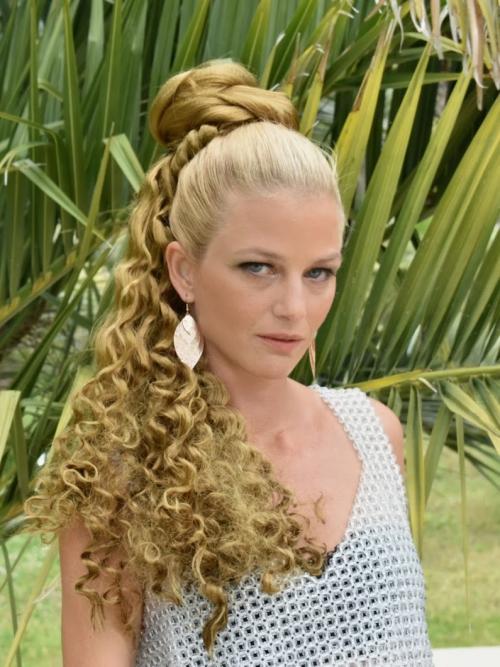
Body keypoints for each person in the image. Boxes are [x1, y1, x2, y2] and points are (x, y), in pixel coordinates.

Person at [24, 59, 433, 666]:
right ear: (184, 270)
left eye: (318, 272)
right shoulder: (120, 476)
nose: (294, 307)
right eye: (258, 267)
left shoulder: (376, 434)